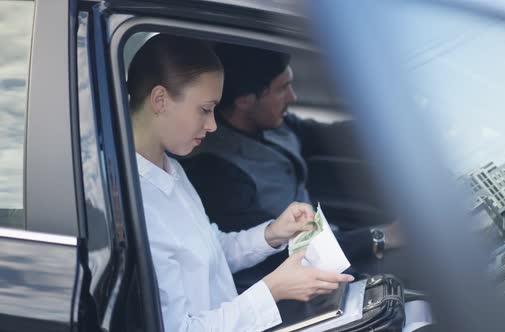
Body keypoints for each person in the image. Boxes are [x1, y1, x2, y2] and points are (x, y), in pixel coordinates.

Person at [128, 34, 354, 332]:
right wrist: (272, 290)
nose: (212, 125)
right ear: (160, 100)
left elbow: (213, 250)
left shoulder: (172, 169)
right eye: (205, 109)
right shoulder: (138, 203)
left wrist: (272, 233)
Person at [180, 44, 404, 289]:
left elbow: (331, 137)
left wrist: (391, 127)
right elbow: (283, 253)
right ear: (245, 101)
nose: (293, 97)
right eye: (282, 88)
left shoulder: (275, 124)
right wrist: (382, 236)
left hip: (332, 239)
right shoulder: (217, 174)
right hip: (306, 270)